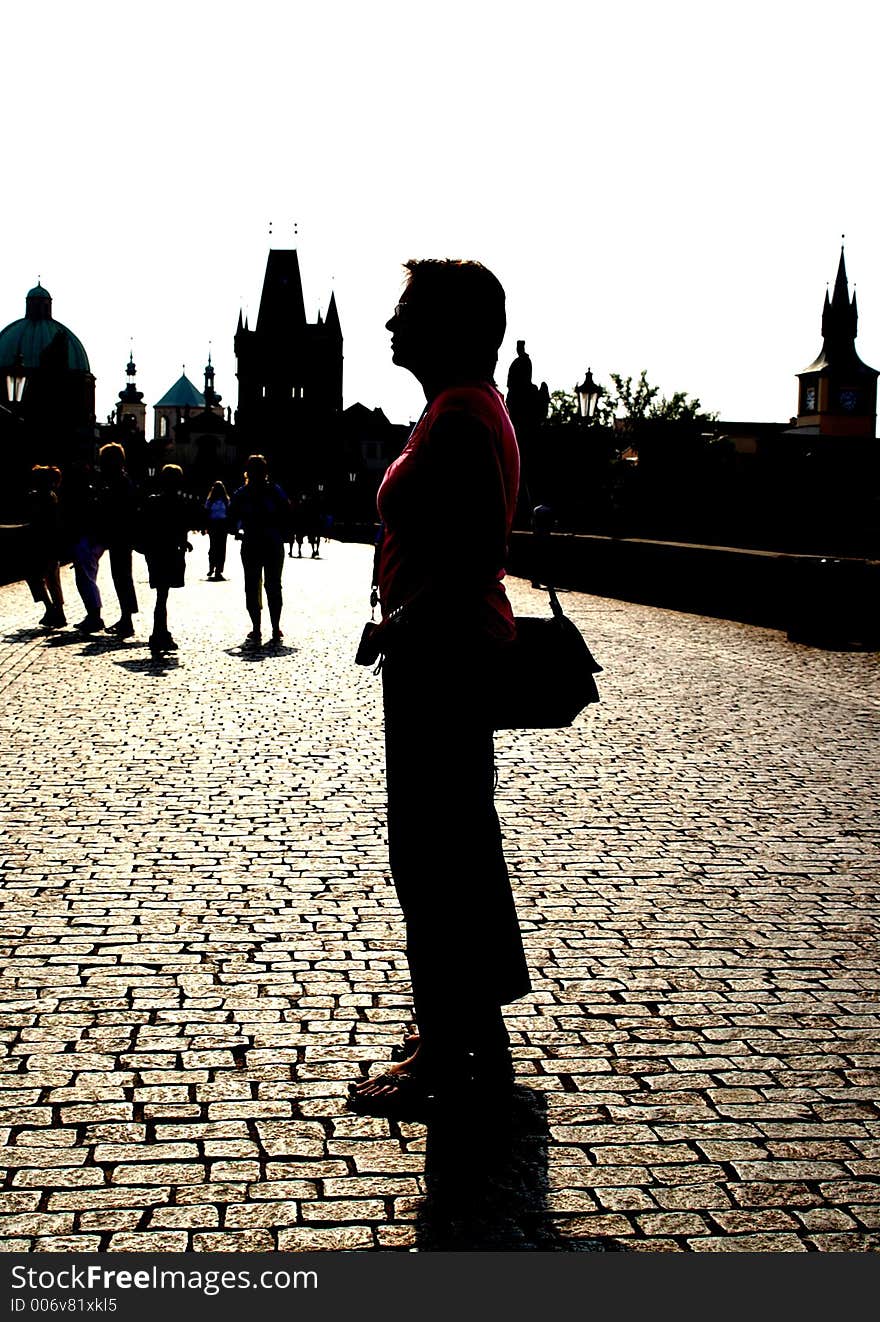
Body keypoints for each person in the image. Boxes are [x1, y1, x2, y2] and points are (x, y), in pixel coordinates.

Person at [350, 259, 530, 1115]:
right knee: (455, 842)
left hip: (442, 657)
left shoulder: (458, 416)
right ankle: (462, 1031)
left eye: (406, 311)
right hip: (444, 653)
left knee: (433, 852)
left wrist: (396, 625)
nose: (390, 325)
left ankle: (451, 1056)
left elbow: (463, 561)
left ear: (449, 327)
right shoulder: (456, 408)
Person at [136, 464, 204, 657]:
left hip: (155, 552)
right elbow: (180, 527)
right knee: (162, 595)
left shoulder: (153, 501)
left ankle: (160, 632)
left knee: (161, 594)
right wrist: (184, 542)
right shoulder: (179, 502)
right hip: (170, 552)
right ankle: (159, 633)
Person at [227, 454, 291, 649]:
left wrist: (237, 530)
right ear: (265, 472)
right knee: (274, 586)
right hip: (273, 542)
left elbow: (231, 519)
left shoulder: (242, 493)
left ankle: (256, 628)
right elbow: (287, 513)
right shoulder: (275, 491)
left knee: (252, 586)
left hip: (252, 542)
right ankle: (275, 627)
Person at [97, 442, 139, 638]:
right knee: (122, 577)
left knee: (122, 577)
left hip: (121, 535)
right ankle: (126, 617)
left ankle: (127, 620)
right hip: (121, 535)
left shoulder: (119, 482)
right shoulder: (121, 480)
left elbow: (118, 510)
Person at [23, 465, 66, 629]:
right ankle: (54, 611)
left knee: (46, 578)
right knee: (48, 579)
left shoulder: (46, 498)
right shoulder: (46, 496)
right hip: (46, 545)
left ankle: (54, 611)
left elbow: (37, 523)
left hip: (46, 545)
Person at [204, 481, 230, 580]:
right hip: (213, 525)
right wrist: (205, 526)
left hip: (223, 525)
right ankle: (212, 567)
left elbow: (229, 512)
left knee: (222, 548)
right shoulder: (210, 501)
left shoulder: (226, 500)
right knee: (214, 547)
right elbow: (206, 513)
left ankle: (219, 570)